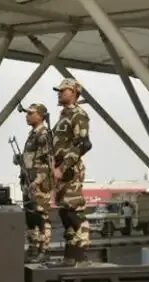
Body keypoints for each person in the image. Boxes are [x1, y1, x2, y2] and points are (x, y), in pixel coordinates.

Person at [51, 78, 92, 266]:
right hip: (59, 170)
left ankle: (81, 255)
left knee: (74, 211)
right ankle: (71, 255)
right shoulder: (63, 115)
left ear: (74, 93)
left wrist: (63, 167)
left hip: (70, 170)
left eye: (63, 90)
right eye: (59, 91)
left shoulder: (79, 114)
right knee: (65, 213)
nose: (59, 93)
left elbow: (82, 144)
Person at [20, 103, 54, 262]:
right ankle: (33, 247)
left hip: (38, 182)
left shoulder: (43, 134)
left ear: (40, 116)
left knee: (41, 216)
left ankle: (43, 250)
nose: (27, 116)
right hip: (28, 179)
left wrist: (37, 181)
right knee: (30, 216)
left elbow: (47, 161)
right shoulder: (33, 134)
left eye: (31, 113)